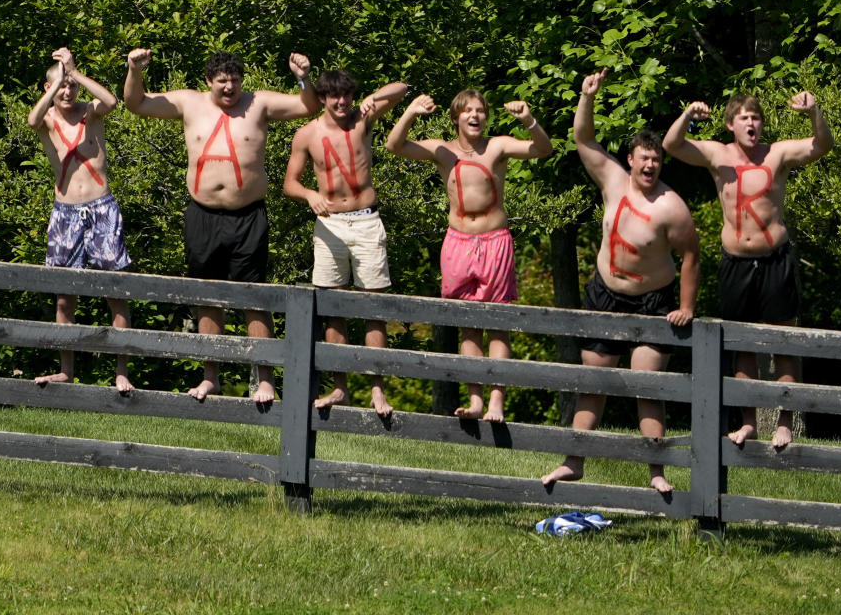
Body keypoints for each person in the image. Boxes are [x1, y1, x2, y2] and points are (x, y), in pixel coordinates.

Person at [124, 48, 318, 402]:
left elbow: (308, 107)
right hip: (203, 215)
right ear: (208, 82)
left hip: (248, 216)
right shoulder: (188, 103)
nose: (230, 87)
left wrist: (302, 77)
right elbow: (136, 104)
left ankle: (265, 379)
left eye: (235, 80)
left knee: (254, 298)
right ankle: (210, 375)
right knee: (207, 298)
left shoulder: (258, 103)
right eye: (222, 81)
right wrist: (134, 71)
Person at [541, 69, 700, 492]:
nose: (650, 164)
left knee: (646, 387)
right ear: (630, 159)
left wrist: (685, 308)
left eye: (657, 159)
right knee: (593, 384)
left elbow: (692, 256)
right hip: (605, 295)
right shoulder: (612, 180)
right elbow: (583, 140)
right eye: (643, 157)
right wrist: (586, 97)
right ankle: (574, 462)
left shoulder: (671, 207)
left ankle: (657, 473)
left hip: (652, 301)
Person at [663, 86, 833, 448]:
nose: (752, 123)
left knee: (785, 341)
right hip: (736, 263)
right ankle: (750, 422)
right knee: (742, 346)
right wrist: (688, 116)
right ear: (730, 125)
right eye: (744, 118)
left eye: (756, 117)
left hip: (775, 260)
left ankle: (785, 421)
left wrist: (814, 112)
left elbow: (822, 146)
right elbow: (671, 146)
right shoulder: (717, 155)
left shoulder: (777, 153)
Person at [385, 88, 552, 423]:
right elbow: (394, 146)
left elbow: (544, 149)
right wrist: (412, 113)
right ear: (456, 117)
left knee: (498, 325)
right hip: (457, 242)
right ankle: (475, 400)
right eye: (468, 111)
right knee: (469, 326)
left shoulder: (498, 146)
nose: (475, 116)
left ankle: (496, 402)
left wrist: (529, 120)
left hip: (495, 241)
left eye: (480, 111)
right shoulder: (443, 151)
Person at [284, 70, 408, 417]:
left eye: (346, 96)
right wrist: (309, 194)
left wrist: (373, 98)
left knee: (374, 309)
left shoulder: (362, 120)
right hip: (330, 225)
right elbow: (289, 183)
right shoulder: (306, 134)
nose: (341, 103)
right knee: (333, 309)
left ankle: (377, 390)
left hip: (367, 220)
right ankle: (340, 387)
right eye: (333, 96)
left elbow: (401, 88)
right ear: (322, 98)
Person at [27, 47, 133, 394]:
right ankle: (66, 370)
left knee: (115, 294)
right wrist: (56, 78)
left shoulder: (91, 113)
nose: (68, 92)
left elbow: (112, 101)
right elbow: (30, 120)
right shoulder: (47, 121)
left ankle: (121, 371)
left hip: (102, 208)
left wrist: (75, 71)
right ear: (49, 89)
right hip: (65, 213)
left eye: (71, 86)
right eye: (61, 86)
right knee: (64, 298)